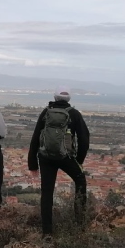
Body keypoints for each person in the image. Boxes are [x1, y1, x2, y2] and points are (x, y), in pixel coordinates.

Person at [28, 86, 90, 236]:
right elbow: (84, 139)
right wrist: (79, 161)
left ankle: (47, 233)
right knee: (80, 181)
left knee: (47, 193)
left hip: (45, 157)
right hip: (66, 158)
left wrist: (32, 164)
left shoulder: (46, 112)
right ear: (69, 99)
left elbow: (36, 136)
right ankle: (79, 224)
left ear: (55, 97)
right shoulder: (74, 114)